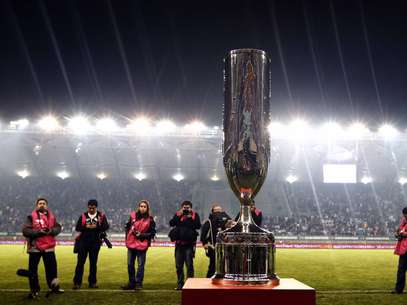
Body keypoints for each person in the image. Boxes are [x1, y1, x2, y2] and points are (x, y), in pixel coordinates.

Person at [22, 198, 64, 299]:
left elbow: (58, 228)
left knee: (52, 269)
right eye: (40, 203)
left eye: (44, 203)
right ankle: (34, 290)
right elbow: (25, 231)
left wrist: (50, 231)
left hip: (49, 247)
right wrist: (38, 232)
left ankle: (54, 287)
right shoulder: (30, 217)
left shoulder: (52, 217)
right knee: (32, 271)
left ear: (46, 206)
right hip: (35, 247)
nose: (42, 205)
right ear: (37, 205)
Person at [73, 199, 109, 289]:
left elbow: (106, 226)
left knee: (93, 264)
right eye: (90, 208)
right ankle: (77, 283)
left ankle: (92, 282)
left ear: (96, 207)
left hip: (95, 243)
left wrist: (96, 226)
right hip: (83, 242)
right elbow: (78, 227)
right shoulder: (83, 216)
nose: (91, 209)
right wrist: (86, 226)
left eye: (93, 208)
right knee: (80, 263)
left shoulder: (101, 216)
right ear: (87, 207)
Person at [122, 200, 156, 290]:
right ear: (138, 207)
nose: (142, 208)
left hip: (142, 244)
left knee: (140, 265)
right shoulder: (132, 216)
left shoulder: (150, 219)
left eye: (145, 206)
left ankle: (138, 283)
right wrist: (127, 239)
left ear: (147, 208)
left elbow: (152, 233)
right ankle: (131, 283)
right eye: (141, 206)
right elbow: (128, 228)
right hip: (131, 243)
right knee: (130, 264)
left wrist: (142, 235)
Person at [169, 201, 201, 290]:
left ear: (191, 208)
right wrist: (179, 215)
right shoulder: (178, 214)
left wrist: (190, 218)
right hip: (179, 244)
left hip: (189, 245)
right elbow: (171, 223)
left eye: (188, 208)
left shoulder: (195, 215)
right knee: (178, 266)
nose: (186, 209)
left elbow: (198, 226)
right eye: (184, 207)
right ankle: (180, 284)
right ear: (182, 207)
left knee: (189, 265)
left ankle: (190, 284)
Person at [200, 203, 232, 278]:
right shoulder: (209, 222)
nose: (218, 213)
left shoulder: (226, 222)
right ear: (212, 212)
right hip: (213, 247)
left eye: (220, 211)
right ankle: (208, 281)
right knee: (213, 266)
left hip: (224, 248)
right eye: (216, 211)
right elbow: (203, 235)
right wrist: (205, 244)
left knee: (224, 266)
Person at [393, 207, 407, 294]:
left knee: (401, 269)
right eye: (404, 214)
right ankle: (398, 289)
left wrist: (404, 234)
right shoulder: (403, 222)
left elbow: (404, 233)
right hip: (404, 249)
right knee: (401, 270)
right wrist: (397, 234)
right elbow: (398, 231)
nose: (405, 216)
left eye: (406, 214)